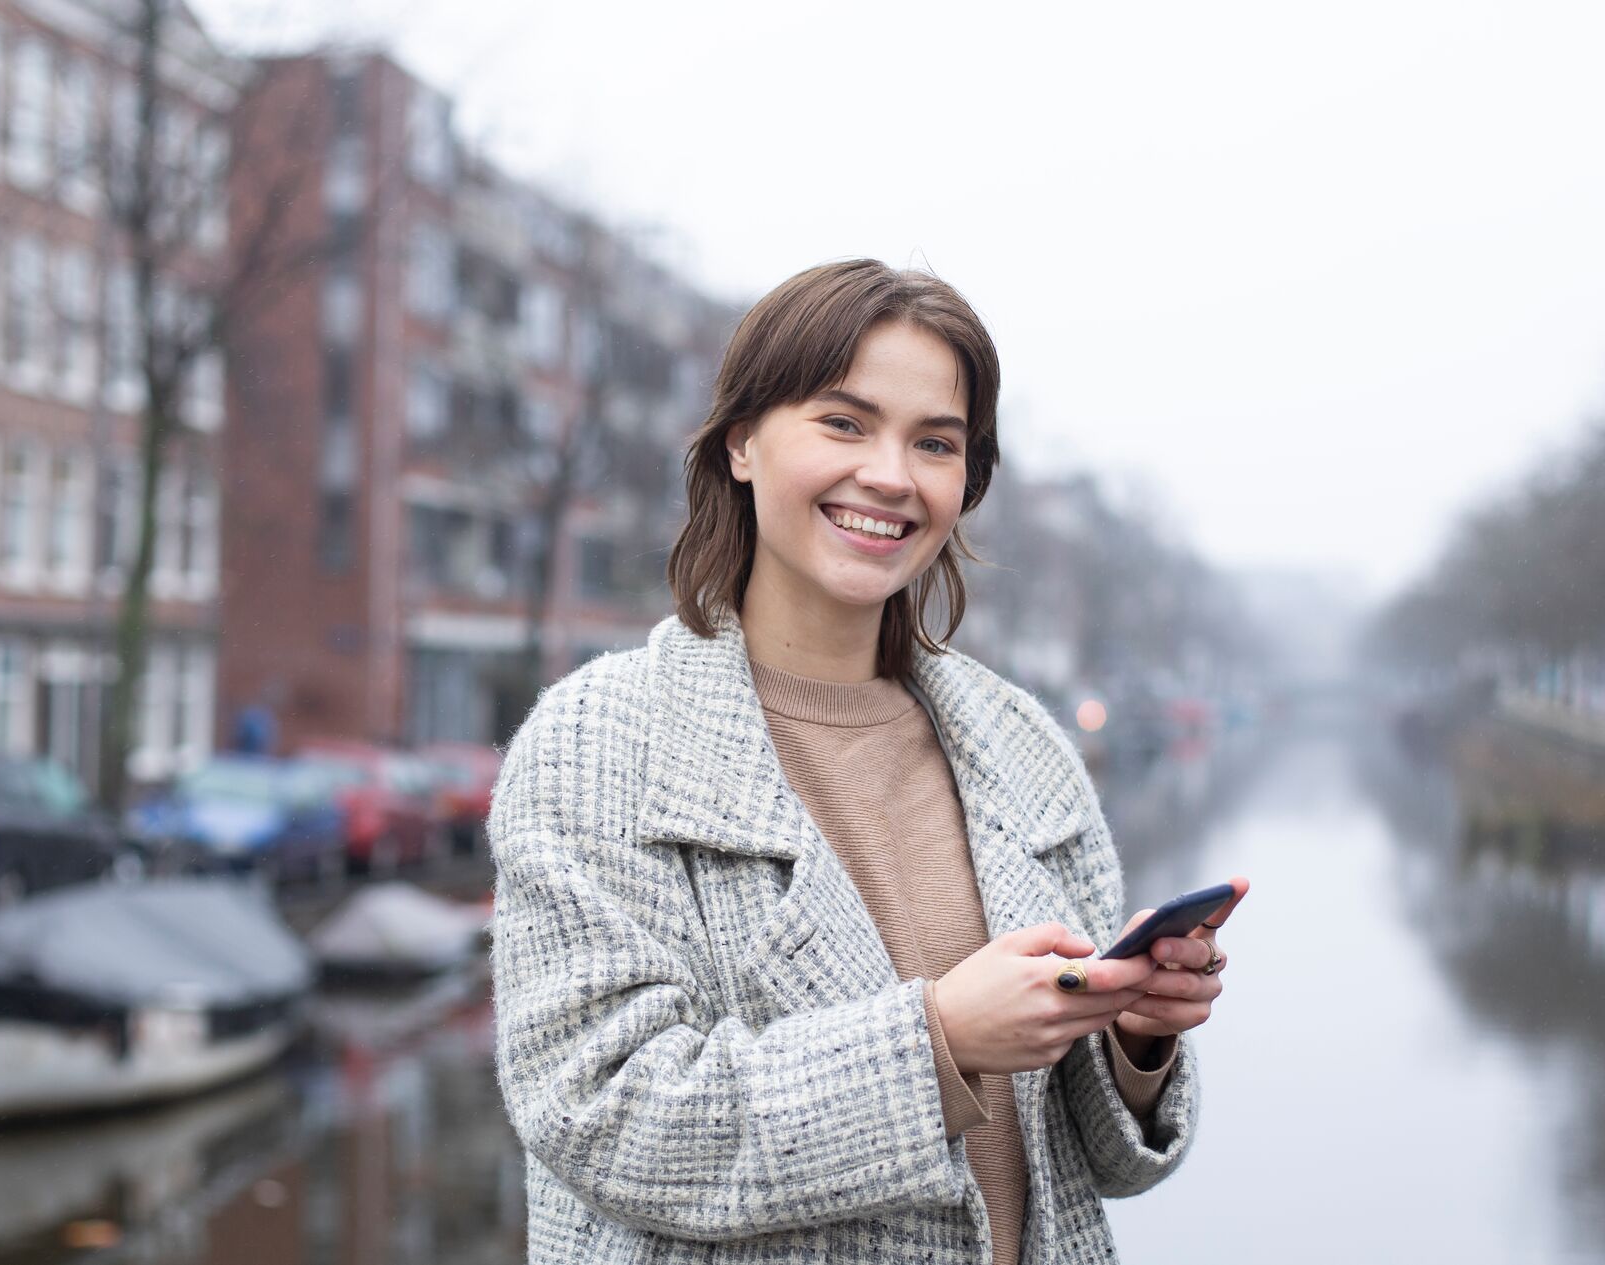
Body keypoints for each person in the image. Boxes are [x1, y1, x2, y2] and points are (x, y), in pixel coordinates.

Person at [488, 259, 1249, 1264]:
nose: (890, 474)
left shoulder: (1023, 748)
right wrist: (935, 1040)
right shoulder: (596, 741)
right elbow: (604, 1115)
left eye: (932, 442)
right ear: (741, 441)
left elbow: (1098, 1163)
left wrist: (1134, 1035)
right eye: (843, 423)